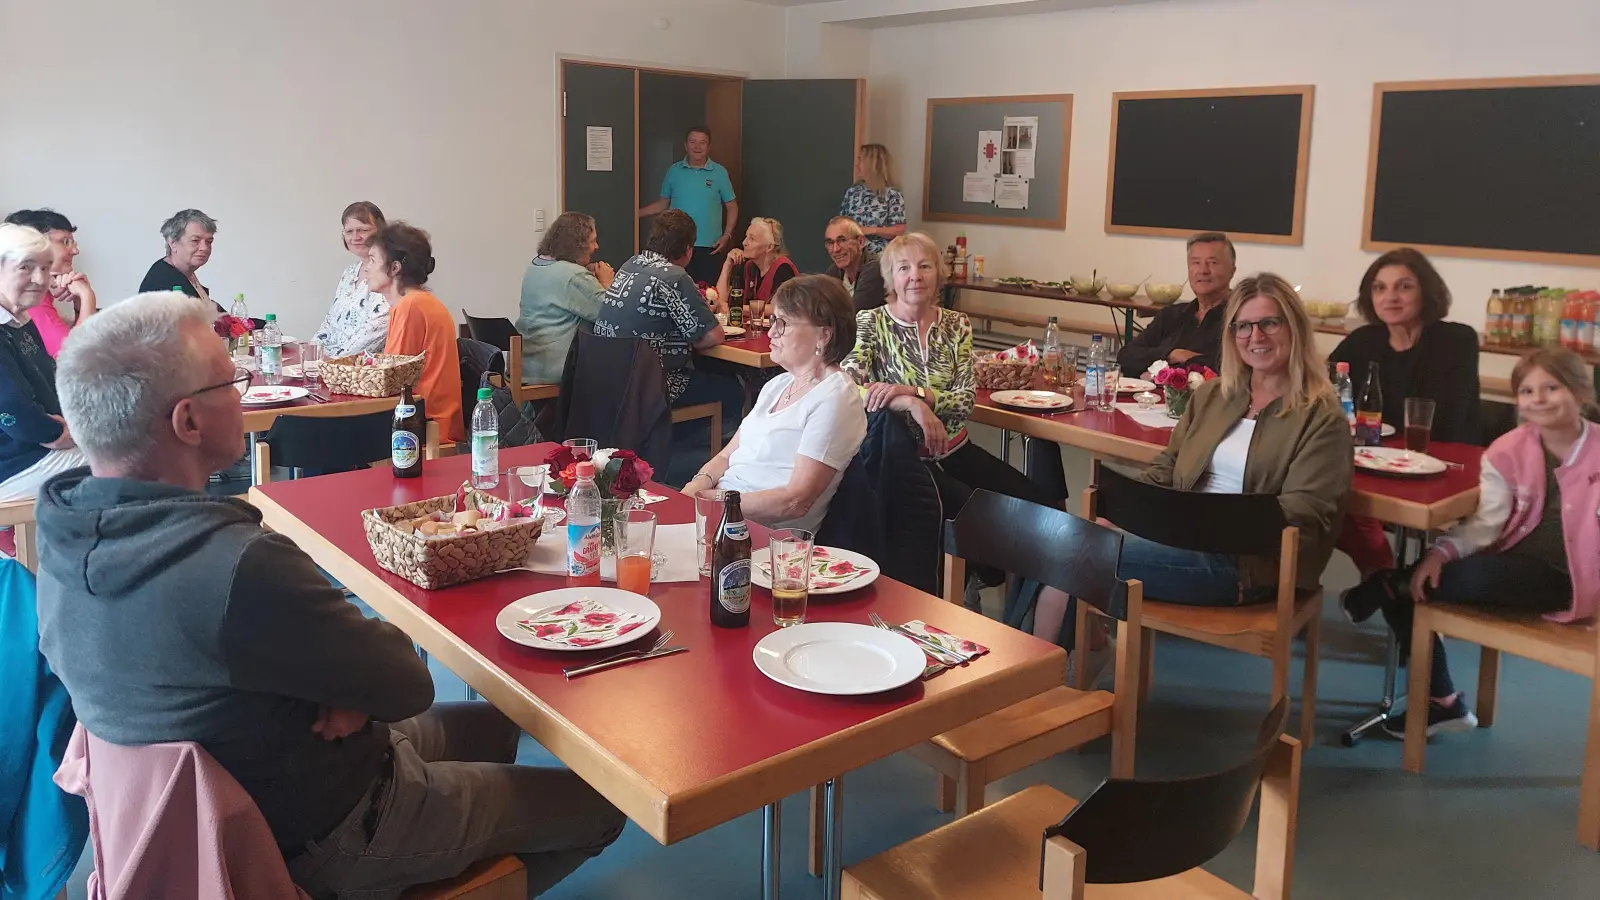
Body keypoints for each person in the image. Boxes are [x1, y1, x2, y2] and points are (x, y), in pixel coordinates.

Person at [36, 291, 624, 897]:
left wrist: (344, 691)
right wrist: (351, 690)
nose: (242, 394)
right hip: (332, 826)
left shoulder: (64, 537)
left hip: (258, 783)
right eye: (231, 382)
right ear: (188, 422)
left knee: (497, 728)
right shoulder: (234, 565)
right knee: (601, 807)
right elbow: (407, 682)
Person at [1345, 348, 1599, 738]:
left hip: (1575, 582)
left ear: (1581, 393)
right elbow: (1486, 524)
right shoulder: (1508, 450)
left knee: (1425, 583)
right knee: (1423, 582)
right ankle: (1441, 699)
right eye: (1527, 391)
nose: (1539, 399)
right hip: (1512, 567)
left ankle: (1386, 587)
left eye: (1552, 388)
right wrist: (1439, 553)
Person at [1331, 248, 1482, 592]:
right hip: (1375, 462)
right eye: (1380, 288)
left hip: (1445, 467)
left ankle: (1387, 580)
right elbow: (1325, 389)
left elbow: (1446, 422)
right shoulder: (1363, 340)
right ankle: (1384, 575)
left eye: (1404, 286)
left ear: (1426, 292)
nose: (1391, 297)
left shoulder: (1456, 340)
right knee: (1318, 490)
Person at [686, 276, 866, 534]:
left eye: (783, 324)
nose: (771, 333)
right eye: (773, 321)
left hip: (764, 536)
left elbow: (795, 502)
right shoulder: (778, 384)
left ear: (824, 335)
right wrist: (697, 485)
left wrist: (713, 501)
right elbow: (726, 456)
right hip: (723, 513)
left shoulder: (836, 396)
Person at [595, 210, 740, 431]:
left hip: (612, 380)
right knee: (733, 390)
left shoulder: (630, 265)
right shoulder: (674, 276)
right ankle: (703, 448)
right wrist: (694, 339)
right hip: (653, 386)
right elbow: (715, 335)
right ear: (688, 249)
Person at [0, 225, 85, 502]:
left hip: (33, 449)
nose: (40, 279)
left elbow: (50, 377)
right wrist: (56, 432)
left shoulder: (19, 319)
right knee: (132, 466)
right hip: (13, 462)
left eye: (46, 268)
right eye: (26, 268)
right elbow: (8, 405)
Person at [367, 223, 464, 442]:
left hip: (424, 428)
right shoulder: (417, 302)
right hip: (427, 420)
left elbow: (392, 380)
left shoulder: (410, 307)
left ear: (394, 268)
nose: (366, 268)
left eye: (372, 260)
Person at [1116, 231, 1237, 376]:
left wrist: (1158, 372)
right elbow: (1125, 356)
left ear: (1232, 271)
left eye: (1213, 263)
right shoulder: (1171, 315)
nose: (1203, 270)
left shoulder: (1240, 318)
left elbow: (1228, 367)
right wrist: (1170, 355)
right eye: (1196, 262)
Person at [517, 211, 613, 385]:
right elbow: (609, 314)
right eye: (592, 241)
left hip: (526, 364)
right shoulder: (574, 276)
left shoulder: (535, 266)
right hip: (556, 369)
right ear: (577, 245)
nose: (596, 247)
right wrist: (606, 282)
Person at [637, 125, 737, 286]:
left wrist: (727, 236)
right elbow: (662, 204)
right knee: (675, 289)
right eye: (692, 142)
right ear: (685, 145)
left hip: (709, 247)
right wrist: (634, 214)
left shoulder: (719, 173)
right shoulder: (673, 171)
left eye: (702, 142)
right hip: (677, 243)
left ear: (709, 146)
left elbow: (732, 206)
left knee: (709, 293)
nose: (697, 147)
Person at [3, 209, 96, 357]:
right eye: (65, 242)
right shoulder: (29, 299)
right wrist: (87, 297)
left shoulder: (40, 296)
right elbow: (75, 359)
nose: (75, 250)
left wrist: (80, 306)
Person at [313, 201, 391, 358]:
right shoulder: (349, 272)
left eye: (363, 230)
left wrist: (330, 362)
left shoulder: (389, 275)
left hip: (360, 367)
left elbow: (374, 332)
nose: (355, 237)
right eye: (349, 231)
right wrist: (311, 354)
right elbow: (330, 321)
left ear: (381, 231)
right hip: (329, 362)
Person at [715, 216, 797, 321]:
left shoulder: (783, 268)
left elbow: (780, 308)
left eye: (752, 239)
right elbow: (720, 301)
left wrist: (736, 309)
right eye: (746, 237)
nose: (744, 242)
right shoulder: (749, 266)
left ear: (769, 247)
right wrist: (727, 266)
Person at [139, 209, 222, 311]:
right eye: (195, 240)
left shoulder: (186, 273)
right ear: (173, 243)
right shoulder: (163, 282)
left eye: (209, 241)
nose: (204, 248)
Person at [838, 143, 906, 255]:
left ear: (872, 164)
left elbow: (899, 230)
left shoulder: (892, 194)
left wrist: (870, 230)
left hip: (880, 256)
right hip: (853, 254)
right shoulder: (852, 192)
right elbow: (841, 223)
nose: (857, 164)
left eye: (860, 159)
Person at [822, 216, 887, 312]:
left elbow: (854, 314)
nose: (836, 249)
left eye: (842, 240)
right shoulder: (833, 272)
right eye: (830, 242)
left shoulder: (875, 269)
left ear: (860, 242)